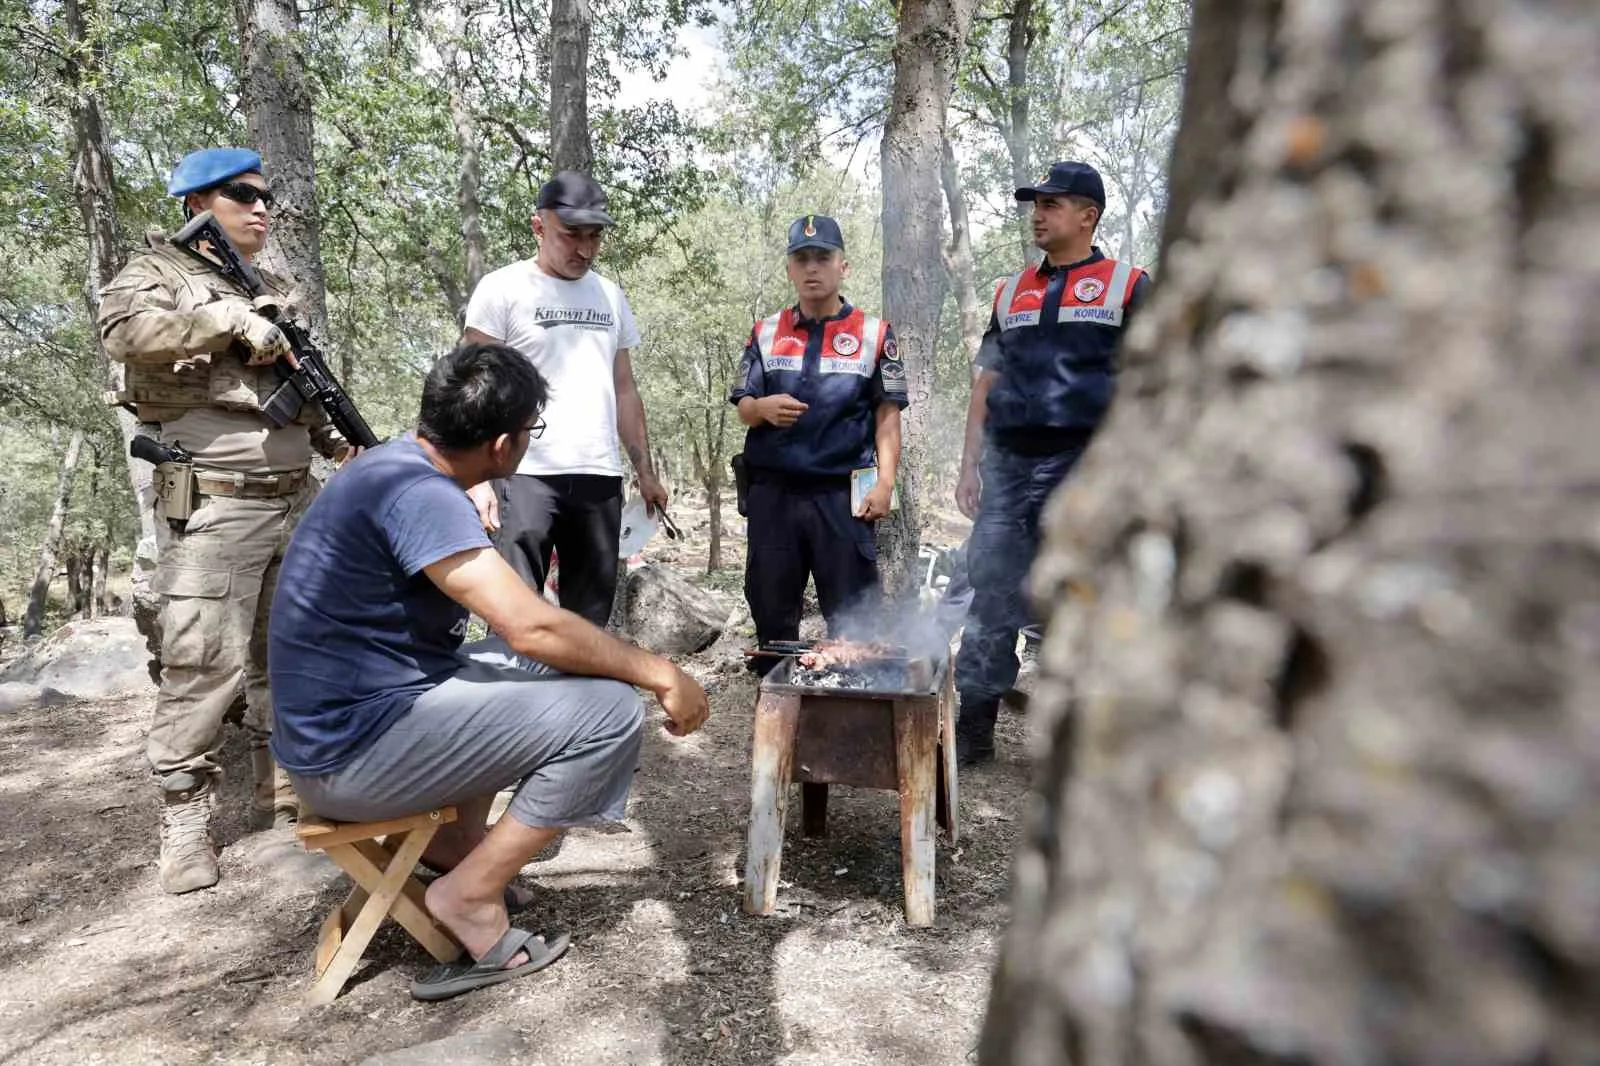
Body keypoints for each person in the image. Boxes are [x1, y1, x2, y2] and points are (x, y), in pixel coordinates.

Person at [268, 341, 709, 1002]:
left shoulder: (396, 467)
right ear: (502, 445)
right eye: (531, 431)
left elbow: (526, 638)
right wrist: (659, 672)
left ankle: (456, 847)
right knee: (611, 712)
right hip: (349, 759)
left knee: (526, 668)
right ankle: (469, 896)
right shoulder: (420, 495)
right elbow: (528, 622)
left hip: (343, 730)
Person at [98, 147, 350, 894]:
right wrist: (225, 318)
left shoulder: (269, 285)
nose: (261, 207)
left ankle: (287, 784)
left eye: (266, 195)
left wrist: (344, 445)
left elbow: (299, 390)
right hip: (213, 500)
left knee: (294, 649)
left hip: (292, 495)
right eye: (242, 195)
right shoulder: (156, 274)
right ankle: (184, 816)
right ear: (196, 206)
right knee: (204, 659)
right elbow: (126, 334)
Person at [953, 161, 1151, 765]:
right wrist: (969, 465)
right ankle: (973, 730)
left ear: (1088, 215)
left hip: (1084, 463)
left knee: (1074, 597)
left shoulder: (1129, 286)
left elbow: (1152, 383)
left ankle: (1073, 740)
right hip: (1008, 463)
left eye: (1052, 203)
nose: (1037, 213)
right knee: (990, 592)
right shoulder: (1011, 291)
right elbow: (987, 379)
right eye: (1034, 203)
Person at [461, 171, 666, 626]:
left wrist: (645, 472)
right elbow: (473, 385)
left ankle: (582, 698)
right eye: (571, 234)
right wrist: (474, 478)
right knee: (515, 614)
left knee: (588, 623)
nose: (585, 249)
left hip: (598, 477)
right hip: (524, 474)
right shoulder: (502, 289)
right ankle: (516, 698)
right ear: (539, 227)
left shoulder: (611, 296)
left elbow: (625, 389)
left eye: (595, 237)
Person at [729, 214, 908, 656]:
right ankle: (775, 714)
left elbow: (888, 416)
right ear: (789, 268)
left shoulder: (874, 334)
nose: (812, 268)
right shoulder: (766, 332)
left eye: (823, 257)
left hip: (844, 498)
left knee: (853, 624)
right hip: (774, 496)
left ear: (842, 265)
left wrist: (885, 484)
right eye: (802, 258)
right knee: (772, 615)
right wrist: (761, 409)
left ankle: (851, 717)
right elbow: (743, 407)